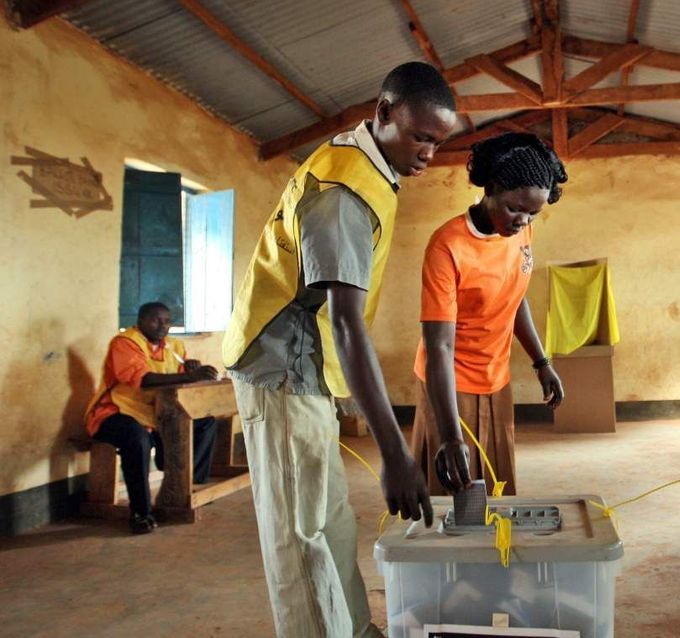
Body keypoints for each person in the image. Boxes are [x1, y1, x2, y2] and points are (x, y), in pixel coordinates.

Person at [221, 62, 457, 638]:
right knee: (300, 533)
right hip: (279, 364)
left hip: (306, 363)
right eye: (421, 136)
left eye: (439, 141)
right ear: (383, 113)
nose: (429, 152)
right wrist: (395, 453)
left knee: (330, 519)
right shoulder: (343, 191)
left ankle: (353, 629)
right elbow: (347, 323)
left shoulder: (365, 163)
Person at [411, 132, 567, 497]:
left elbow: (514, 297)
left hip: (496, 378)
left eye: (533, 213)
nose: (522, 220)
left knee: (496, 492)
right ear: (492, 187)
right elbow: (439, 347)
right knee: (454, 495)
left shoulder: (520, 231)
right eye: (515, 208)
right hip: (449, 384)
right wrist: (449, 435)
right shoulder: (447, 246)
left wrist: (541, 361)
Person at [85, 302, 219, 534]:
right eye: (155, 320)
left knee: (205, 421)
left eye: (167, 321)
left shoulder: (174, 346)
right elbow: (144, 379)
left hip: (152, 413)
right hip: (113, 412)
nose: (162, 326)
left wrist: (189, 370)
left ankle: (183, 485)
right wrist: (191, 375)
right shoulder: (125, 342)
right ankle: (140, 513)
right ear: (140, 320)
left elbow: (178, 381)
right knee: (137, 440)